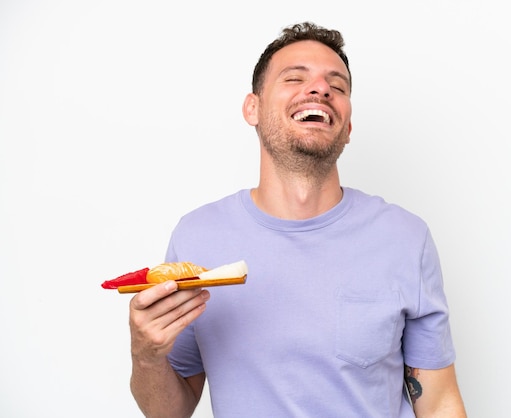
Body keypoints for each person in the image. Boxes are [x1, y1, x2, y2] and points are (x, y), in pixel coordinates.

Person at [128, 21, 467, 418]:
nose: (321, 89)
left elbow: (440, 402)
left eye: (337, 87)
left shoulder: (406, 239)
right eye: (294, 78)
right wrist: (146, 356)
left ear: (348, 125)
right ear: (252, 108)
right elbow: (170, 411)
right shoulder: (198, 237)